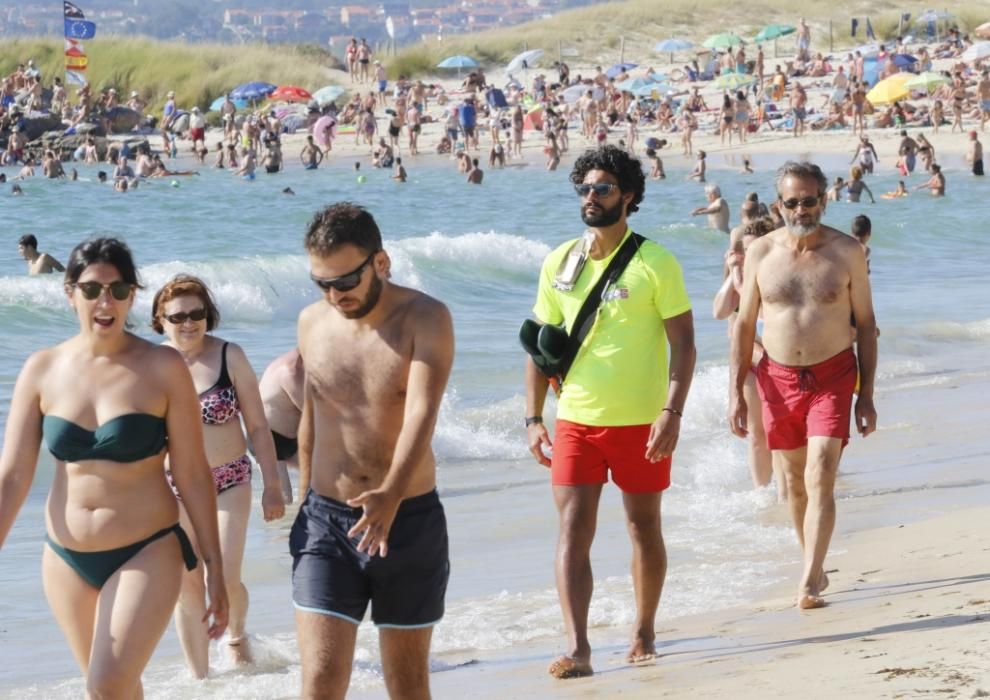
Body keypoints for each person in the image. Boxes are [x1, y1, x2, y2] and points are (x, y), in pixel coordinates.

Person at [0, 237, 229, 696]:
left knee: (107, 684)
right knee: (113, 689)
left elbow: (193, 473)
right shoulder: (41, 369)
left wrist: (214, 568)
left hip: (147, 548)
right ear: (70, 292)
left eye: (119, 290)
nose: (105, 301)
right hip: (64, 558)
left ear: (132, 296)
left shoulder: (162, 366)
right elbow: (13, 476)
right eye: (91, 289)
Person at [525, 145, 695, 678]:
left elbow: (685, 345)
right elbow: (539, 346)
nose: (591, 198)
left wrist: (672, 412)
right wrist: (533, 418)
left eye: (602, 189)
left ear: (629, 196)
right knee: (572, 528)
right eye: (584, 188)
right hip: (575, 419)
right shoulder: (559, 262)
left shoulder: (655, 261)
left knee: (643, 527)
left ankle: (644, 629)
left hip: (643, 422)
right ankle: (578, 647)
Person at [293, 203, 454, 699]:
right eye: (322, 283)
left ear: (379, 264)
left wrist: (390, 493)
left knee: (406, 686)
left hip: (408, 519)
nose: (334, 295)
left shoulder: (425, 318)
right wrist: (303, 501)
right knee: (321, 680)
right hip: (327, 521)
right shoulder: (310, 323)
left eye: (345, 281)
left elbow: (421, 414)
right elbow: (312, 416)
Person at [730, 161, 877, 609]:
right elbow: (743, 324)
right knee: (793, 482)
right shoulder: (761, 253)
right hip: (777, 379)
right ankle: (812, 561)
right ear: (779, 205)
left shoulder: (847, 251)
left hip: (832, 375)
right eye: (792, 202)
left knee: (820, 473)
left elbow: (867, 325)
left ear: (823, 200)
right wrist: (735, 391)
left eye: (809, 200)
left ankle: (810, 580)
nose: (801, 209)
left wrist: (865, 394)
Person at [151, 275, 285, 677]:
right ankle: (201, 680)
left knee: (223, 576)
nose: (188, 323)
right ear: (161, 318)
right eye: (178, 316)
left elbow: (258, 427)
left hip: (229, 480)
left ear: (208, 316)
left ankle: (237, 636)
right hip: (173, 490)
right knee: (187, 586)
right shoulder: (152, 364)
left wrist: (272, 485)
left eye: (197, 314)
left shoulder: (230, 356)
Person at [259, 348, 303, 504]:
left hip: (291, 437)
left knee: (323, 479)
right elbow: (312, 412)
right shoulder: (292, 370)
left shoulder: (299, 361)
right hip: (270, 441)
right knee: (284, 499)